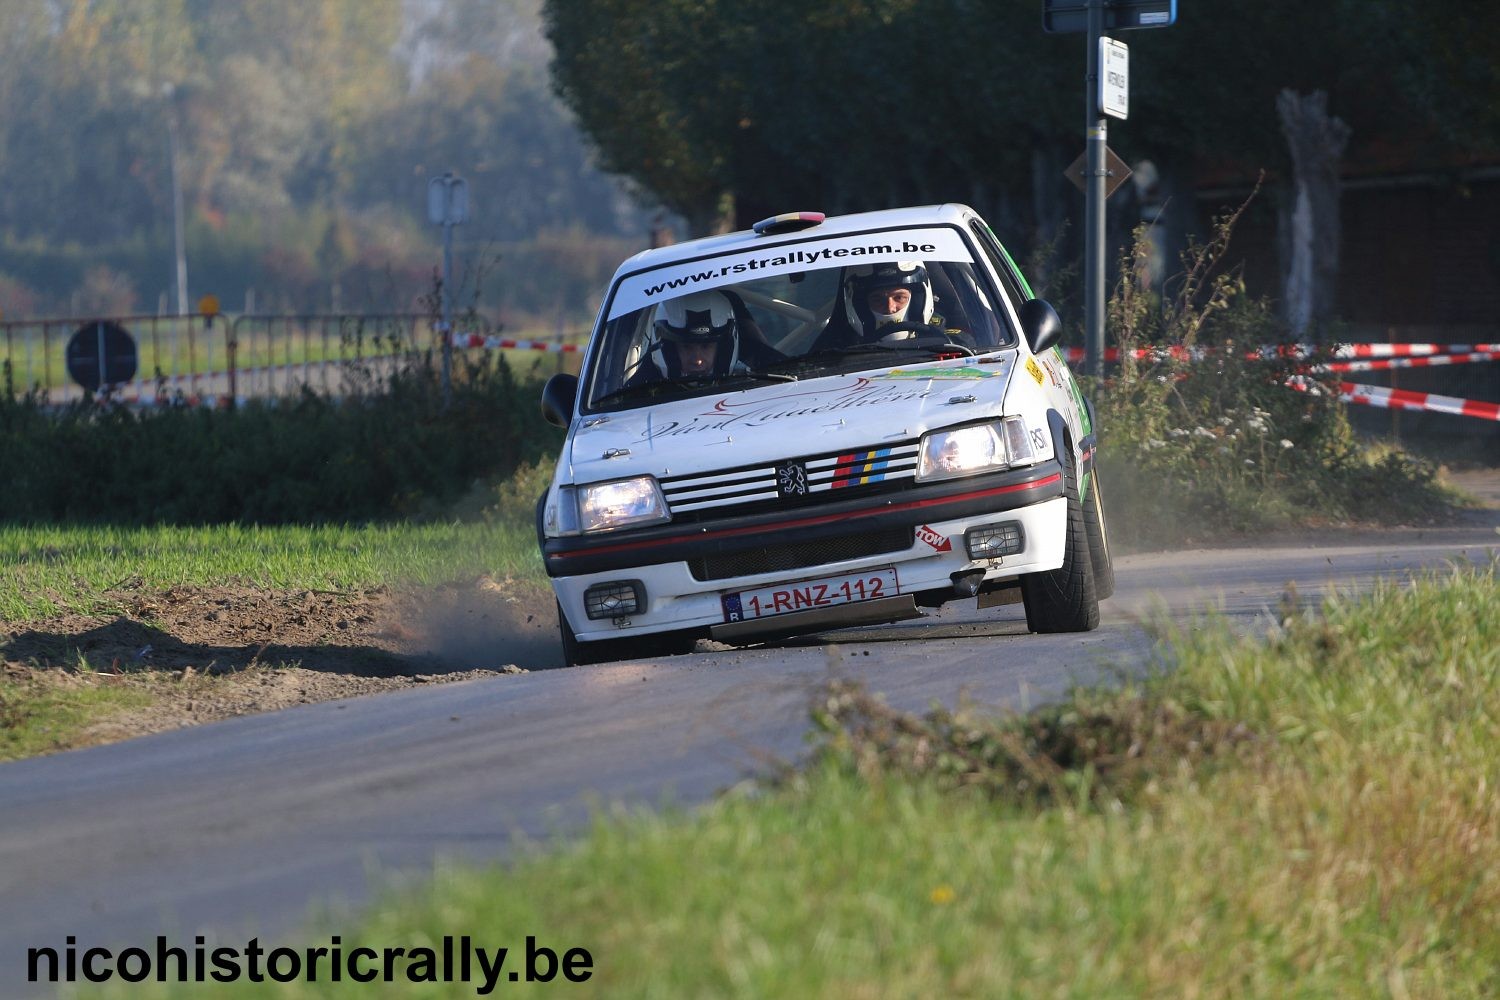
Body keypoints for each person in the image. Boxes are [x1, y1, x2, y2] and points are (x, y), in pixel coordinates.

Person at [628, 290, 742, 385]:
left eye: (706, 346)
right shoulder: (633, 401)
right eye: (687, 347)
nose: (698, 361)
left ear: (723, 349)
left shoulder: (750, 386)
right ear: (668, 349)